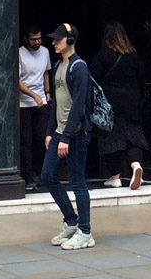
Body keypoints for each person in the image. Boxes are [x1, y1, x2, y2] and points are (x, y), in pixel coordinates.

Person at [41, 22, 94, 250]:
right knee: (47, 176)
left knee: (77, 181)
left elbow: (79, 106)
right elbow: (56, 103)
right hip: (60, 133)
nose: (53, 43)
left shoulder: (79, 67)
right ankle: (71, 221)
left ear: (70, 41)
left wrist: (66, 137)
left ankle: (85, 231)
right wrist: (51, 132)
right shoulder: (57, 65)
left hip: (76, 134)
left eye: (58, 39)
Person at [90, 21, 147, 190]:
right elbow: (142, 77)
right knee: (134, 139)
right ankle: (136, 166)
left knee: (111, 140)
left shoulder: (102, 55)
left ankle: (115, 177)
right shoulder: (133, 56)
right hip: (132, 103)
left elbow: (93, 78)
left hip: (110, 104)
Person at [18, 25, 52, 191]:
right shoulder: (19, 53)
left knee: (42, 138)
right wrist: (33, 95)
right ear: (26, 39)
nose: (37, 42)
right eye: (33, 39)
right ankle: (28, 175)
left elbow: (45, 73)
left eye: (39, 39)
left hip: (41, 102)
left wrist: (47, 92)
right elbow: (16, 80)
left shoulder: (45, 52)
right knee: (26, 140)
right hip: (23, 103)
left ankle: (40, 173)